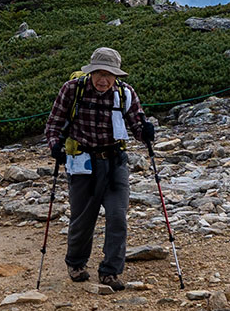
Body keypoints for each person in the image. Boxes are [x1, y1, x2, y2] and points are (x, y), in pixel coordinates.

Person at [43, 46, 154, 288]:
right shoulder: (72, 89)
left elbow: (137, 125)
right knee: (83, 217)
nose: (103, 80)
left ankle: (110, 271)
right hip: (82, 161)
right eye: (99, 73)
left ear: (117, 76)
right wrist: (55, 146)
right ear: (91, 72)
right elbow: (54, 124)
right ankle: (76, 263)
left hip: (115, 161)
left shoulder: (125, 94)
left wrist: (145, 131)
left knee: (117, 216)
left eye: (109, 74)